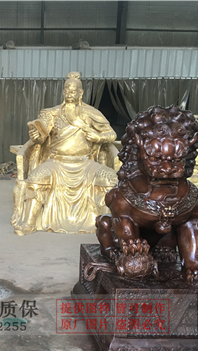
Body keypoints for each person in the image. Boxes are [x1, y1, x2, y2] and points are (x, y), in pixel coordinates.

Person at [12, 72, 117, 235]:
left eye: (73, 91)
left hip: (86, 164)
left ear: (80, 93)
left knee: (110, 179)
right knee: (36, 179)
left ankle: (108, 224)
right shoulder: (52, 113)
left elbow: (111, 134)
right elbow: (41, 136)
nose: (69, 94)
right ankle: (29, 222)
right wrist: (36, 136)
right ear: (63, 91)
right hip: (56, 163)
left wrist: (99, 137)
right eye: (67, 90)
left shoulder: (91, 113)